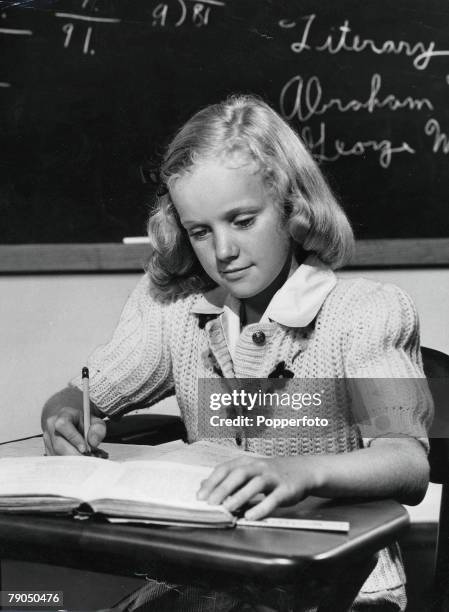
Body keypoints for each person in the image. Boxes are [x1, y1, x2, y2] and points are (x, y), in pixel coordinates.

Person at [41, 94, 432, 611]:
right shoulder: (176, 313)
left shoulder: (366, 313)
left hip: (340, 583)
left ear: (293, 208)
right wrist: (63, 411)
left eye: (242, 220)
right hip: (215, 580)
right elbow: (85, 392)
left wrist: (300, 472)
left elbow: (407, 461)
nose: (222, 252)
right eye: (200, 231)